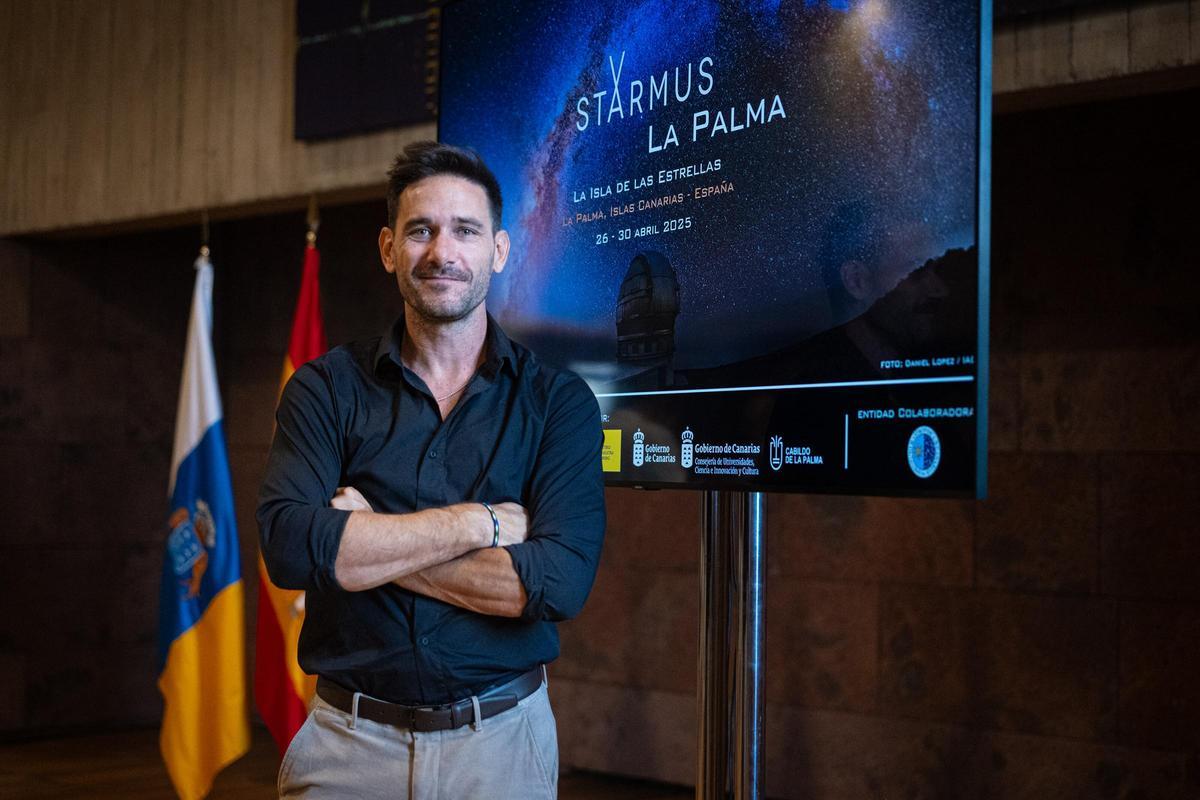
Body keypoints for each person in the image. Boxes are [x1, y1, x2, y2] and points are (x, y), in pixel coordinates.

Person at [257, 141, 607, 799]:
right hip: (347, 749)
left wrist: (369, 545)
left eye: (465, 231)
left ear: (498, 251)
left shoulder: (557, 403)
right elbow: (289, 546)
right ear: (389, 248)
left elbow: (555, 585)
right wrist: (479, 524)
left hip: (503, 748)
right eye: (421, 230)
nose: (441, 252)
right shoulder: (324, 390)